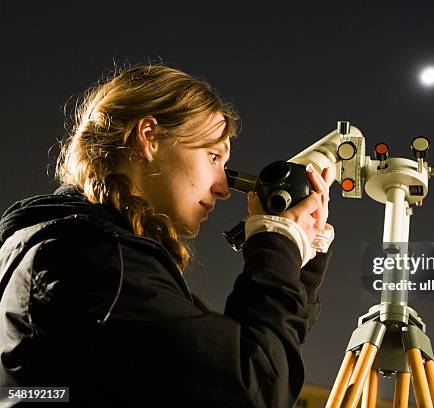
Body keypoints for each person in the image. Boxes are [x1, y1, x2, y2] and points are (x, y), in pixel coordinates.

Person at [0, 64, 335, 407]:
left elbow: (257, 359)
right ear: (150, 136)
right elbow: (252, 388)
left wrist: (299, 257)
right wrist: (276, 245)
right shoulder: (97, 262)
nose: (223, 188)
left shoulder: (70, 247)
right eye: (213, 156)